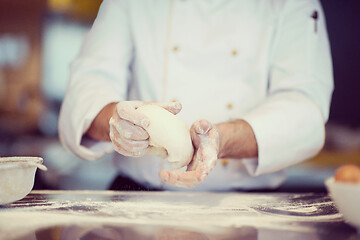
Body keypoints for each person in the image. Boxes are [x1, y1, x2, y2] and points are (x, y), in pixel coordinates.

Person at [59, 0, 333, 191]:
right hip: (138, 196)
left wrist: (222, 140)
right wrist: (116, 120)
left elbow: (304, 107)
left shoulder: (292, 3)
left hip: (249, 208)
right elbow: (90, 82)